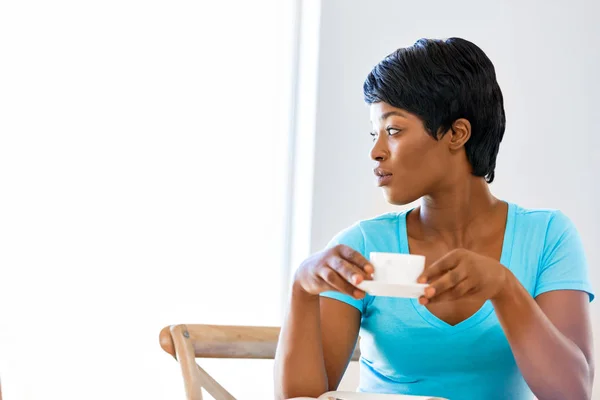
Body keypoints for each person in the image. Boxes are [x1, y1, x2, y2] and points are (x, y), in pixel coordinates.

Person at [274, 37, 595, 400]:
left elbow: (573, 394)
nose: (376, 152)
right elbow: (302, 399)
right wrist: (301, 290)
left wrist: (504, 288)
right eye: (374, 134)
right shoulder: (361, 247)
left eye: (393, 131)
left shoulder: (547, 237)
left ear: (457, 134)